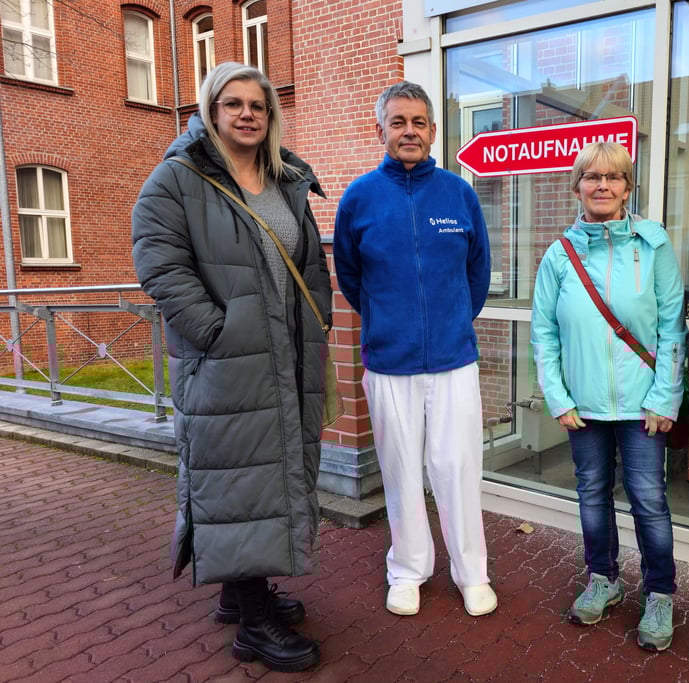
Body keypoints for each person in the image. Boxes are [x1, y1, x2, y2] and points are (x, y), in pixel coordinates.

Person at [131, 62, 332, 673]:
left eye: (259, 106)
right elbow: (159, 263)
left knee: (268, 476)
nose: (248, 114)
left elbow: (310, 264)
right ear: (210, 110)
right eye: (234, 103)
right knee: (238, 479)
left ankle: (239, 589)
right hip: (226, 362)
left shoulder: (283, 177)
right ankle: (252, 624)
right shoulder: (178, 178)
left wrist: (315, 321)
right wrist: (216, 332)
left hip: (285, 356)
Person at [333, 81, 497, 618]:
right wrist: (391, 324)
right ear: (380, 129)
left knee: (457, 469)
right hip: (389, 363)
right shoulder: (359, 197)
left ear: (432, 130)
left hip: (454, 361)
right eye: (398, 121)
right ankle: (407, 569)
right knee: (401, 470)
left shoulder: (459, 194)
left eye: (419, 122)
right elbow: (352, 280)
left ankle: (472, 573)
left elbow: (477, 275)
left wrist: (449, 323)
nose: (409, 131)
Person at [531, 141, 685, 652]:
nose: (602, 186)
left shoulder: (653, 243)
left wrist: (665, 398)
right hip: (584, 407)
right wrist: (558, 398)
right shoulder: (559, 254)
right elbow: (544, 333)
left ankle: (660, 593)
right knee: (592, 496)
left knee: (648, 501)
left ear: (627, 187)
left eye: (614, 177)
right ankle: (604, 578)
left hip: (644, 406)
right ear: (576, 186)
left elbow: (670, 327)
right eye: (591, 177)